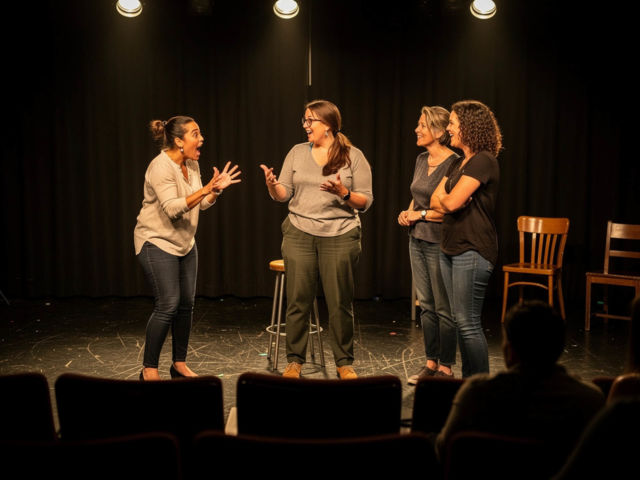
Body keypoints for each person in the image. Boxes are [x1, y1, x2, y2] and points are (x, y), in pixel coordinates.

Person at [260, 99, 373, 379]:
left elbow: (365, 202)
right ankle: (294, 360)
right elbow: (283, 195)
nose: (306, 125)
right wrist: (273, 186)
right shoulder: (297, 152)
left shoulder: (353, 156)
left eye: (311, 120)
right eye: (305, 120)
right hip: (300, 231)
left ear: (329, 125)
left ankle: (344, 362)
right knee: (298, 300)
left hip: (340, 234)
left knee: (339, 302)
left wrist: (344, 193)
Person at [134, 116, 241, 381]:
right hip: (156, 241)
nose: (201, 138)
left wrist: (215, 191)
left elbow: (201, 203)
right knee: (168, 304)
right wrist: (205, 189)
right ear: (179, 141)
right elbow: (172, 208)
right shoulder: (160, 167)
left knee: (186, 305)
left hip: (185, 243)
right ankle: (149, 369)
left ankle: (179, 365)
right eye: (195, 134)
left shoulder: (191, 163)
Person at [434, 301, 605, 468]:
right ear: (559, 347)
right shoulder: (590, 400)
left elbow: (443, 449)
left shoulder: (476, 394)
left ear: (509, 350)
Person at [430, 99, 501, 378]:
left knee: (468, 323)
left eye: (452, 123)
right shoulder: (459, 163)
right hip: (450, 247)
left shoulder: (483, 160)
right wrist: (450, 200)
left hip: (473, 249)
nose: (448, 129)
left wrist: (449, 201)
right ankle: (469, 384)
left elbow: (448, 203)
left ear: (469, 127)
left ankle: (480, 387)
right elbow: (436, 200)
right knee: (460, 322)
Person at [397, 106, 460, 383]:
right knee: (426, 305)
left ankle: (446, 367)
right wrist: (407, 212)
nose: (417, 129)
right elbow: (418, 196)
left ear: (437, 130)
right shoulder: (422, 159)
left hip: (439, 241)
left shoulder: (455, 163)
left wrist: (419, 214)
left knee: (444, 307)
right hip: (417, 239)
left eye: (422, 125)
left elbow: (448, 209)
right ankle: (430, 363)